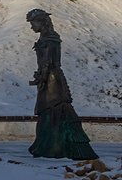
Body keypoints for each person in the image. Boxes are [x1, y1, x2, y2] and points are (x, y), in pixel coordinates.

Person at [27, 9, 98, 160]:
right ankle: (47, 146)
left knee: (52, 108)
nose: (31, 27)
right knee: (47, 111)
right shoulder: (45, 39)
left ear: (41, 22)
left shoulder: (51, 38)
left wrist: (42, 76)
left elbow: (49, 61)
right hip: (48, 77)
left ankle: (55, 146)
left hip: (52, 78)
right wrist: (40, 75)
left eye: (33, 23)